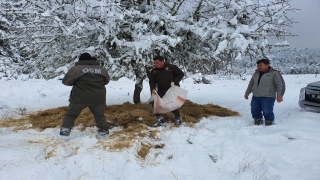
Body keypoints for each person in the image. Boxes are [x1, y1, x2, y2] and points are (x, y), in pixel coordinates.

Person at [60, 53, 110, 138]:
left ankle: (65, 131)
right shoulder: (101, 69)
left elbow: (65, 82)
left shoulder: (76, 69)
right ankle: (103, 131)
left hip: (80, 97)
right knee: (99, 115)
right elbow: (106, 81)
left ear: (80, 60)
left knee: (71, 114)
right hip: (98, 98)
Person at [244, 59, 285, 126]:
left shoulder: (274, 73)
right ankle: (258, 120)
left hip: (268, 97)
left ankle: (269, 122)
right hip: (256, 96)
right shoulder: (256, 73)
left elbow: (280, 85)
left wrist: (280, 95)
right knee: (254, 110)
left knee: (267, 111)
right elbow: (251, 84)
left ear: (267, 65)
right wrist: (247, 93)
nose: (258, 67)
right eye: (258, 65)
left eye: (260, 65)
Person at [149, 55, 184, 127]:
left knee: (171, 104)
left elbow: (181, 74)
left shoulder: (172, 68)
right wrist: (153, 88)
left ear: (162, 62)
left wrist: (175, 81)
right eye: (154, 63)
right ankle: (160, 120)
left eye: (157, 63)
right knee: (157, 104)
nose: (155, 64)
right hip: (161, 89)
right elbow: (152, 81)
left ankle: (178, 118)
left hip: (171, 89)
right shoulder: (154, 71)